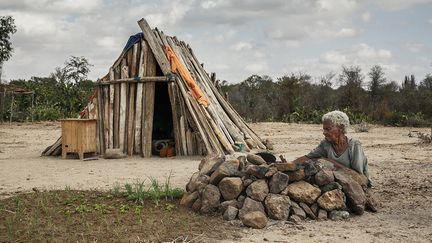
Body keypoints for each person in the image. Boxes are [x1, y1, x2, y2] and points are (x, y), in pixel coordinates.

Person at [292, 110, 372, 187]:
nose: (324, 132)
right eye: (324, 129)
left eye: (328, 129)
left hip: (357, 185)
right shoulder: (326, 143)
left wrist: (329, 162)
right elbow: (308, 157)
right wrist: (288, 165)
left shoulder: (354, 145)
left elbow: (359, 176)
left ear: (341, 127)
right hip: (339, 182)